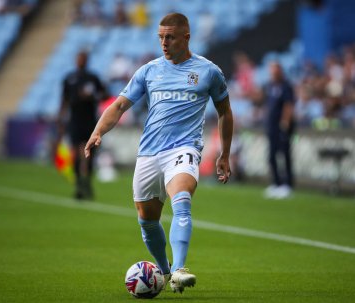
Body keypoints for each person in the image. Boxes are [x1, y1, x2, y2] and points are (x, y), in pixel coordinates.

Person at [85, 13, 233, 293]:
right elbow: (118, 106)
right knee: (147, 219)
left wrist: (224, 154)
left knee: (182, 199)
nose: (164, 43)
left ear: (186, 37)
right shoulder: (148, 71)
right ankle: (163, 271)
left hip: (184, 148)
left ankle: (179, 269)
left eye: (170, 37)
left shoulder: (208, 71)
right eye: (161, 37)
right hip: (149, 153)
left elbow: (225, 111)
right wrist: (98, 131)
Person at [58, 50, 108, 200]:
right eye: (79, 58)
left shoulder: (93, 78)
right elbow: (64, 101)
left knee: (90, 154)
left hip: (90, 121)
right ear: (76, 60)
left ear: (87, 60)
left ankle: (87, 182)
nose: (81, 61)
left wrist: (92, 96)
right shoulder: (69, 78)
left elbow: (104, 95)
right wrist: (61, 120)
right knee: (75, 154)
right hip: (75, 121)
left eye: (83, 58)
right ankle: (79, 184)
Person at [263, 62, 295, 199]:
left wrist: (285, 122)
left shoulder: (286, 86)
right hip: (271, 127)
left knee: (284, 154)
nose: (272, 74)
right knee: (271, 156)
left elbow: (288, 105)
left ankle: (287, 184)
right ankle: (276, 183)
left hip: (281, 126)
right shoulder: (270, 86)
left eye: (274, 71)